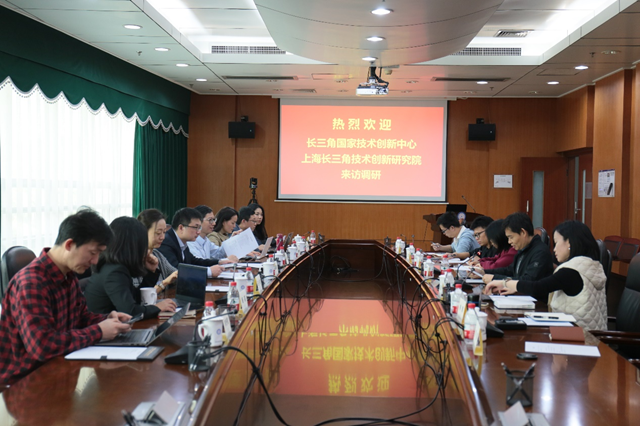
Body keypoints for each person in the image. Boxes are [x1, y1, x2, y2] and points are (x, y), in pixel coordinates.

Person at [0, 209, 132, 385]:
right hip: (25, 382)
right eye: (93, 252)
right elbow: (42, 346)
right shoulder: (31, 282)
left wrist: (107, 319)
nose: (95, 261)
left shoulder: (68, 275)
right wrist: (99, 331)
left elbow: (80, 318)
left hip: (60, 371)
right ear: (69, 244)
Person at [484, 221, 607, 331]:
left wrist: (504, 283)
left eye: (556, 243)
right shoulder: (591, 266)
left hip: (579, 337)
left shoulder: (571, 270)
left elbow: (538, 287)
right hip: (591, 336)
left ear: (569, 242)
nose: (554, 249)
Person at [84, 217, 177, 317]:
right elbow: (130, 311)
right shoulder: (114, 272)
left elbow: (134, 298)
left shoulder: (115, 266)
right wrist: (158, 307)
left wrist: (150, 272)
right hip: (104, 325)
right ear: (132, 245)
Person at [480, 212, 554, 283]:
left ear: (523, 232)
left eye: (511, 237)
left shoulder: (540, 252)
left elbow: (528, 280)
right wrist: (484, 272)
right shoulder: (523, 249)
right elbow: (510, 271)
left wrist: (494, 278)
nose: (509, 242)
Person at [158, 207, 223, 278]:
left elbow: (193, 261)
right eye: (196, 227)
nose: (198, 232)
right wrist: (208, 272)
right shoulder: (166, 242)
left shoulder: (182, 242)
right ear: (181, 228)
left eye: (199, 228)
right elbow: (175, 271)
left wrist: (219, 262)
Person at [136, 208, 178, 293]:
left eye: (164, 232)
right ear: (143, 232)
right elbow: (138, 295)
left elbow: (174, 274)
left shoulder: (157, 254)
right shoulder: (133, 259)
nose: (162, 237)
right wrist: (164, 283)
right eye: (158, 233)